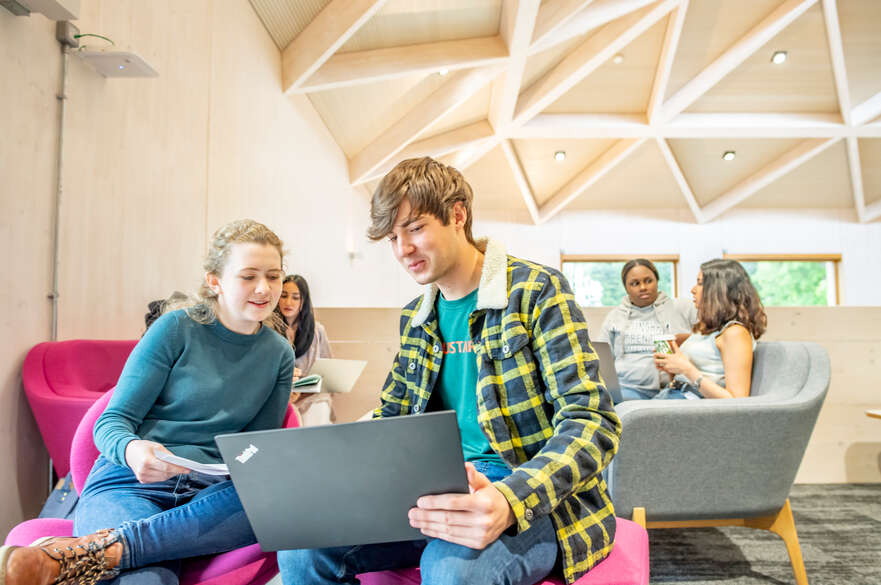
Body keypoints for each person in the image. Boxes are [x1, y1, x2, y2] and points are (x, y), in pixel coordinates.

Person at [277, 157, 621, 585]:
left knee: (450, 572)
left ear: (457, 215)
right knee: (301, 548)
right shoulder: (416, 319)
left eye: (415, 228)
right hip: (428, 490)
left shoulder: (535, 291)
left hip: (528, 491)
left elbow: (592, 421)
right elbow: (392, 418)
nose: (403, 249)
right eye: (393, 237)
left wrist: (510, 499)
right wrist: (340, 471)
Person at [0, 219, 294, 585]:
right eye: (248, 276)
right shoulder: (176, 329)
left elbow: (255, 449)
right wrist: (133, 450)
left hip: (211, 494)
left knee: (279, 504)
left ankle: (82, 554)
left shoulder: (279, 353)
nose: (264, 288)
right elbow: (111, 424)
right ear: (214, 281)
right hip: (129, 481)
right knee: (151, 581)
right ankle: (115, 549)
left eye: (274, 276)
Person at [653, 258, 767, 400]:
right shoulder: (707, 329)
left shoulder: (735, 333)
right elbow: (685, 377)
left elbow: (737, 400)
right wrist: (672, 367)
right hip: (673, 395)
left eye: (700, 283)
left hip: (689, 404)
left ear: (718, 290)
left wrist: (686, 369)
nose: (693, 290)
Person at [596, 259, 696, 401]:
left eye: (648, 281)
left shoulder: (681, 307)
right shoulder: (615, 317)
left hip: (671, 388)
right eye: (635, 283)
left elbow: (707, 335)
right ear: (626, 287)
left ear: (657, 280)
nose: (643, 287)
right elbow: (602, 359)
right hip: (626, 388)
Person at [274, 274, 334, 426]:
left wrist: (305, 390)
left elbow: (328, 370)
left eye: (296, 297)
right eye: (284, 295)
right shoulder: (268, 329)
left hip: (311, 395)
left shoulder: (317, 330)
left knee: (320, 405)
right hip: (280, 395)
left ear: (303, 301)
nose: (288, 302)